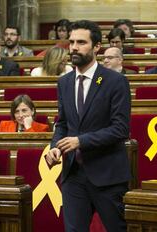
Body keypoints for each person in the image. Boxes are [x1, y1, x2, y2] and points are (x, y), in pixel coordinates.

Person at [45, 20, 131, 231]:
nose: (74, 47)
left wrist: (80, 141)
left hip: (107, 174)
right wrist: (55, 146)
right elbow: (63, 123)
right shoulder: (64, 83)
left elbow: (120, 129)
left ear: (96, 47)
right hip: (73, 174)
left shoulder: (115, 81)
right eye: (72, 42)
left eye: (81, 42)